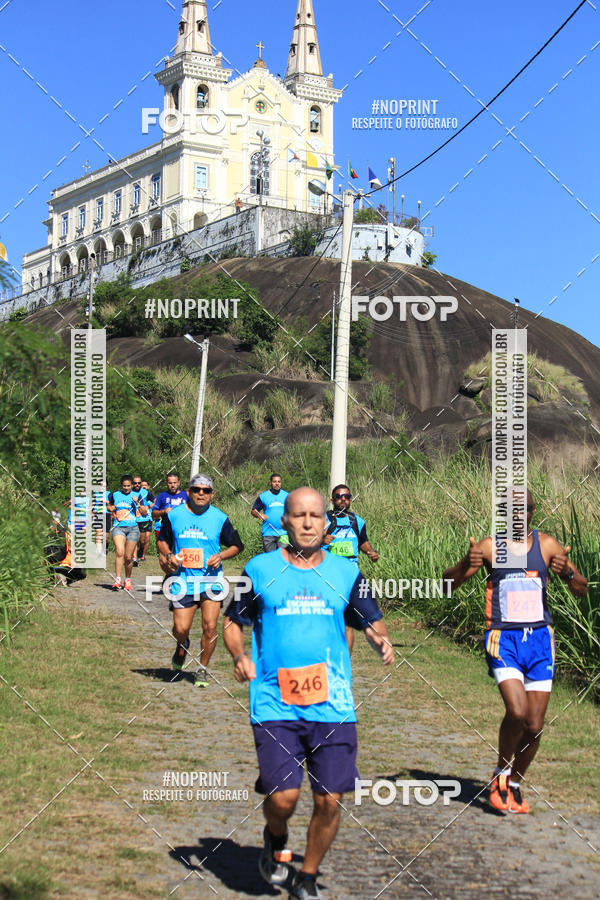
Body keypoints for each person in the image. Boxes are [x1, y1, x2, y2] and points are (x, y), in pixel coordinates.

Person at [224, 487, 393, 899]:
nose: (307, 523)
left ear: (326, 523)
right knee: (283, 799)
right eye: (298, 515)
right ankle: (276, 838)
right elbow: (234, 621)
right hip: (274, 702)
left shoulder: (346, 573)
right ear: (284, 521)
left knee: (329, 800)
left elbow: (371, 619)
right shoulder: (260, 569)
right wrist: (239, 655)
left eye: (315, 516)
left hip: (333, 705)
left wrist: (380, 640)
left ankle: (308, 875)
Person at [442, 490, 587, 814]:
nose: (519, 515)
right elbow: (446, 585)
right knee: (518, 711)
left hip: (539, 641)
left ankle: (516, 782)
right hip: (503, 639)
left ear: (534, 512)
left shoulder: (547, 545)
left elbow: (582, 588)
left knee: (535, 725)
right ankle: (500, 774)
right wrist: (467, 563)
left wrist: (567, 572)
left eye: (526, 509)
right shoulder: (490, 547)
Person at [158, 474, 243, 688]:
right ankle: (182, 644)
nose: (201, 493)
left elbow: (237, 545)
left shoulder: (219, 518)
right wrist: (168, 556)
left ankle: (202, 669)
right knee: (180, 627)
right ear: (189, 492)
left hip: (211, 581)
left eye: (206, 490)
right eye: (197, 489)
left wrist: (221, 556)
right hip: (182, 581)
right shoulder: (174, 515)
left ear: (212, 494)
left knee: (210, 626)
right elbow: (161, 541)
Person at [323, 484, 379, 653]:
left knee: (347, 621)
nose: (343, 499)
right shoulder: (322, 520)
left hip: (350, 573)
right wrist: (320, 540)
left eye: (347, 496)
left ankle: (343, 661)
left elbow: (363, 542)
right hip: (327, 571)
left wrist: (370, 552)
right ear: (332, 500)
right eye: (339, 496)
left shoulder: (357, 521)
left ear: (350, 499)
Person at [107, 474, 147, 591]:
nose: (126, 488)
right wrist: (110, 508)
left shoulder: (136, 495)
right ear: (121, 485)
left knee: (128, 557)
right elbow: (109, 505)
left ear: (131, 485)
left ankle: (127, 579)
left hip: (133, 529)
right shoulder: (115, 495)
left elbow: (144, 512)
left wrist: (138, 504)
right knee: (120, 552)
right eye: (124, 486)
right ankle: (118, 579)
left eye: (128, 486)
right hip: (118, 527)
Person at [251, 473, 289, 552]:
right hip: (268, 533)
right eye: (274, 482)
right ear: (270, 483)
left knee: (282, 558)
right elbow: (253, 511)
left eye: (279, 482)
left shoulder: (287, 495)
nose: (277, 484)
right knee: (271, 559)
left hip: (284, 533)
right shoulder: (263, 496)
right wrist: (259, 515)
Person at [152, 472, 188, 552]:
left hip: (182, 531)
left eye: (175, 483)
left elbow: (194, 512)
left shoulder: (186, 496)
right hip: (166, 531)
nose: (172, 485)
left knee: (180, 558)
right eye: (170, 483)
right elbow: (153, 515)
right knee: (164, 558)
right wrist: (163, 511)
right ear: (166, 483)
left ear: (179, 483)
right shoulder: (162, 496)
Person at [132, 475, 155, 564]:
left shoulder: (145, 492)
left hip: (143, 519)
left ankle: (140, 553)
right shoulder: (129, 492)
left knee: (142, 540)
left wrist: (148, 507)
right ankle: (134, 558)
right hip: (132, 519)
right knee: (133, 539)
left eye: (139, 483)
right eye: (135, 483)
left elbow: (155, 501)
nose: (137, 485)